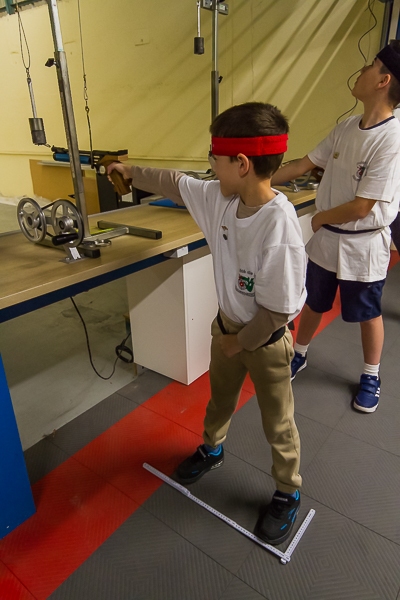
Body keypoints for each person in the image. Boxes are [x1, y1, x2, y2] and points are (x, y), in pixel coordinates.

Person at [108, 102, 307, 545]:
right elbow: (175, 183)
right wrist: (130, 171)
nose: (210, 167)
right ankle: (212, 448)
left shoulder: (279, 226)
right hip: (228, 328)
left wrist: (240, 343)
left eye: (215, 159)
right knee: (220, 400)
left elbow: (278, 311)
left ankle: (287, 491)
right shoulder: (220, 198)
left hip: (266, 340)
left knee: (278, 422)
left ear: (241, 164)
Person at [271, 40, 400, 414]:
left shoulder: (391, 140)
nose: (362, 69)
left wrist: (319, 218)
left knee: (367, 312)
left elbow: (362, 207)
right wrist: (256, 182)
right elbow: (304, 164)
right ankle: (299, 353)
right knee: (314, 300)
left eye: (370, 65)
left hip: (363, 243)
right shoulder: (346, 127)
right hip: (328, 240)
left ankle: (371, 375)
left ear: (383, 80)